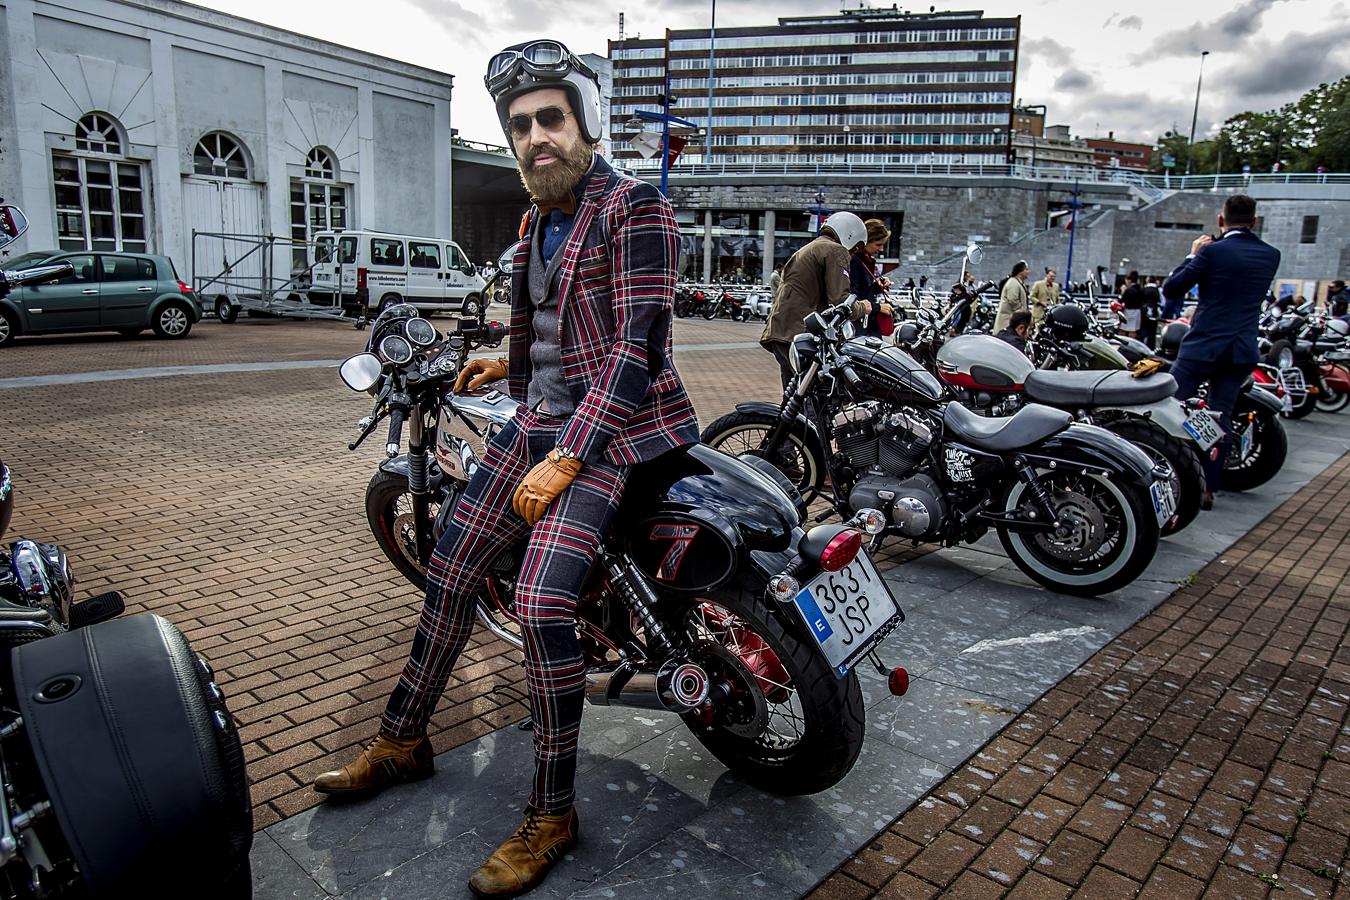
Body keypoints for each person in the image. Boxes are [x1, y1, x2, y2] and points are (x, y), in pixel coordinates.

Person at [312, 39, 700, 898]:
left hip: (614, 432)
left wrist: (564, 458)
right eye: (520, 126)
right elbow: (545, 330)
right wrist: (505, 368)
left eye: (550, 119)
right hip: (541, 418)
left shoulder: (634, 210)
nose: (535, 138)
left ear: (584, 123)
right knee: (449, 563)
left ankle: (553, 811)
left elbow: (633, 354)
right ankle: (404, 738)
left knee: (541, 601)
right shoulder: (536, 222)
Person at [1163, 193, 1280, 509]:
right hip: (1240, 349)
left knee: (1168, 408)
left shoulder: (1212, 252)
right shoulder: (1271, 255)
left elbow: (1172, 289)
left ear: (1220, 220)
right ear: (1254, 221)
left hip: (1203, 346)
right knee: (1220, 415)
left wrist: (1193, 255)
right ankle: (1208, 488)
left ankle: (1167, 475)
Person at [761, 211, 867, 390]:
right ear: (851, 238)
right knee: (812, 397)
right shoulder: (835, 250)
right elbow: (840, 301)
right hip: (800, 332)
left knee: (793, 396)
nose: (852, 255)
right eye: (855, 249)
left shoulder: (809, 248)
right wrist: (864, 307)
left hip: (782, 330)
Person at [851, 218, 895, 338]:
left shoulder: (865, 260)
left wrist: (877, 286)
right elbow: (852, 296)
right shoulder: (855, 261)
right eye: (878, 244)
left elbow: (863, 290)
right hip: (860, 324)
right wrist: (878, 308)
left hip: (865, 322)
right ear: (866, 242)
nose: (881, 249)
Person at [992, 260, 1030, 334]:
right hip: (1007, 320)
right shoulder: (1013, 283)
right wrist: (1023, 313)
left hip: (1014, 320)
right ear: (1020, 271)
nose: (1028, 272)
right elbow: (1013, 300)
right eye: (1026, 269)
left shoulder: (1018, 283)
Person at [1119, 271, 1145, 337]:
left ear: (1129, 280)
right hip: (1137, 312)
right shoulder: (1141, 289)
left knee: (1123, 329)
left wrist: (1123, 292)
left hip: (1128, 311)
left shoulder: (1128, 290)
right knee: (1133, 330)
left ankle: (1122, 344)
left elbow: (1122, 300)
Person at [1140, 276, 1163, 347]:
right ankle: (1151, 347)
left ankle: (1141, 344)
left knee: (1143, 330)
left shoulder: (1144, 289)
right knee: (1152, 332)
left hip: (1144, 313)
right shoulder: (1157, 290)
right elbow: (1160, 301)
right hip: (1154, 312)